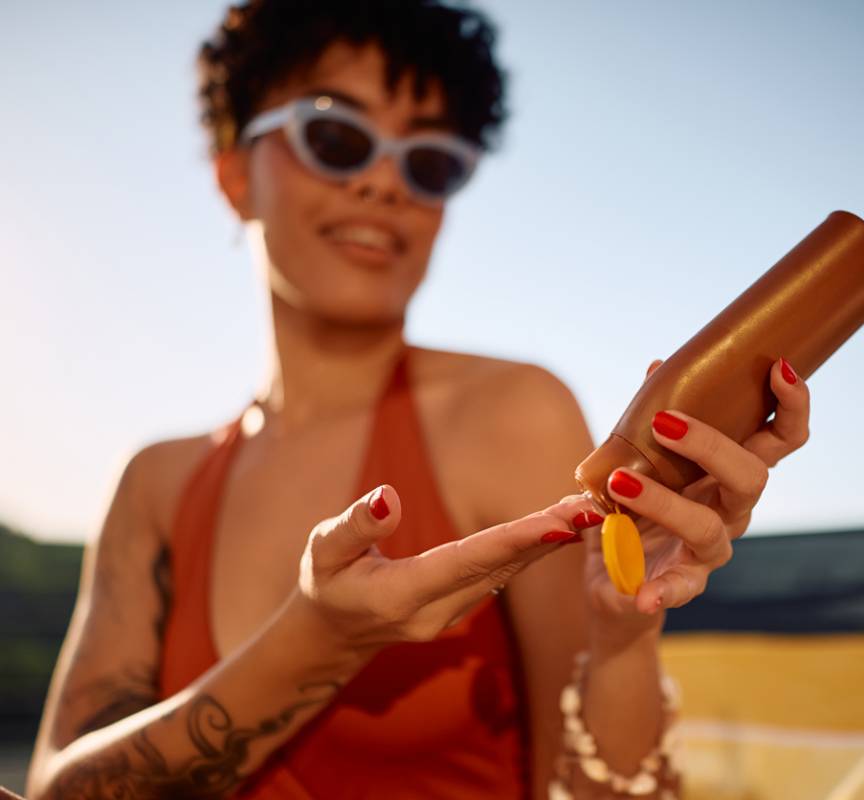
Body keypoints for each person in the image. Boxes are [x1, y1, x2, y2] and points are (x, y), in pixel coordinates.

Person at [26, 2, 811, 798]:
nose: (382, 182)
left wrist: (624, 640)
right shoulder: (157, 486)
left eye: (428, 161)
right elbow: (58, 789)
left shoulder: (512, 415)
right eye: (335, 136)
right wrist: (317, 640)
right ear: (235, 174)